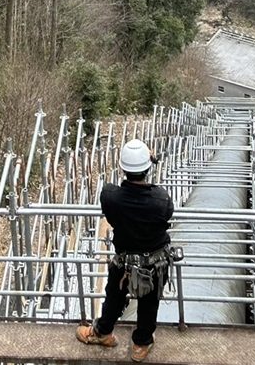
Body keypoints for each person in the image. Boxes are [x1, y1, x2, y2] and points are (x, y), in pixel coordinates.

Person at [75, 138, 174, 362]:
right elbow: (165, 213)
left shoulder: (110, 197)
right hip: (155, 262)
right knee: (149, 303)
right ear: (148, 168)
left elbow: (112, 193)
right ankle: (141, 343)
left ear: (123, 168)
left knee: (114, 297)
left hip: (124, 262)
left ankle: (103, 332)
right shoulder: (161, 200)